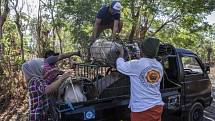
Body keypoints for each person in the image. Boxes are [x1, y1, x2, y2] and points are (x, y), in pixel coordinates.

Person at [116, 38, 164, 121]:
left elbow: (120, 66)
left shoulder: (136, 64)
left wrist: (121, 54)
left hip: (142, 109)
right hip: (157, 106)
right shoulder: (159, 66)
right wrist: (141, 57)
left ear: (142, 50)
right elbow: (145, 66)